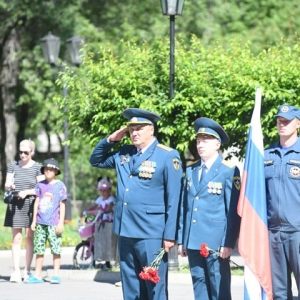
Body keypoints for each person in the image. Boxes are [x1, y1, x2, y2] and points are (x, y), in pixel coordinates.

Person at [89, 108, 183, 300]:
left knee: (154, 288)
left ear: (152, 130)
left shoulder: (167, 156)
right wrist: (110, 140)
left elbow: (174, 199)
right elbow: (96, 160)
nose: (134, 133)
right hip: (126, 231)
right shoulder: (125, 153)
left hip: (152, 233)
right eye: (131, 129)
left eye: (139, 128)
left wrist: (170, 235)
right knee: (131, 288)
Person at [178, 117, 241, 300]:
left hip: (215, 242)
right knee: (199, 288)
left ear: (217, 144)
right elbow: (185, 207)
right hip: (194, 240)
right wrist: (183, 239)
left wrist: (227, 242)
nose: (200, 145)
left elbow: (232, 212)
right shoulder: (191, 170)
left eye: (205, 141)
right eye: (198, 141)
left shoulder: (228, 170)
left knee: (218, 289)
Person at [264, 104, 300, 299]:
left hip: (298, 232)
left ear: (298, 123)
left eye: (287, 121)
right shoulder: (267, 155)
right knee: (278, 292)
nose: (282, 124)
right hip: (274, 233)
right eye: (280, 120)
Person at [3, 139, 44, 283]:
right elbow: (7, 184)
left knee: (29, 238)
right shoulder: (13, 165)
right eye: (20, 152)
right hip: (15, 204)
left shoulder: (38, 167)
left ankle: (27, 270)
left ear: (32, 152)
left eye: (25, 152)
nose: (22, 155)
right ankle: (16, 271)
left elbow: (41, 188)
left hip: (30, 204)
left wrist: (27, 192)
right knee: (16, 239)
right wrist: (10, 185)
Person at [24, 158, 67, 284]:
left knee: (56, 248)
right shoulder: (40, 185)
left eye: (51, 169)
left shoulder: (60, 186)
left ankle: (56, 275)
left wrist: (61, 223)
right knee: (39, 249)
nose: (48, 171)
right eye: (46, 169)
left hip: (54, 223)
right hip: (40, 223)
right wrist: (33, 221)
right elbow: (36, 203)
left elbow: (62, 205)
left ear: (56, 171)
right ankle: (37, 275)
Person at [81, 177, 116, 269]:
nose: (103, 193)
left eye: (105, 191)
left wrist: (106, 211)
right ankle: (99, 259)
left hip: (109, 222)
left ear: (109, 190)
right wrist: (86, 211)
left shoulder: (111, 199)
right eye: (101, 191)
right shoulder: (100, 199)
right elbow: (94, 206)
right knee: (98, 239)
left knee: (107, 241)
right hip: (101, 222)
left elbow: (109, 207)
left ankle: (107, 262)